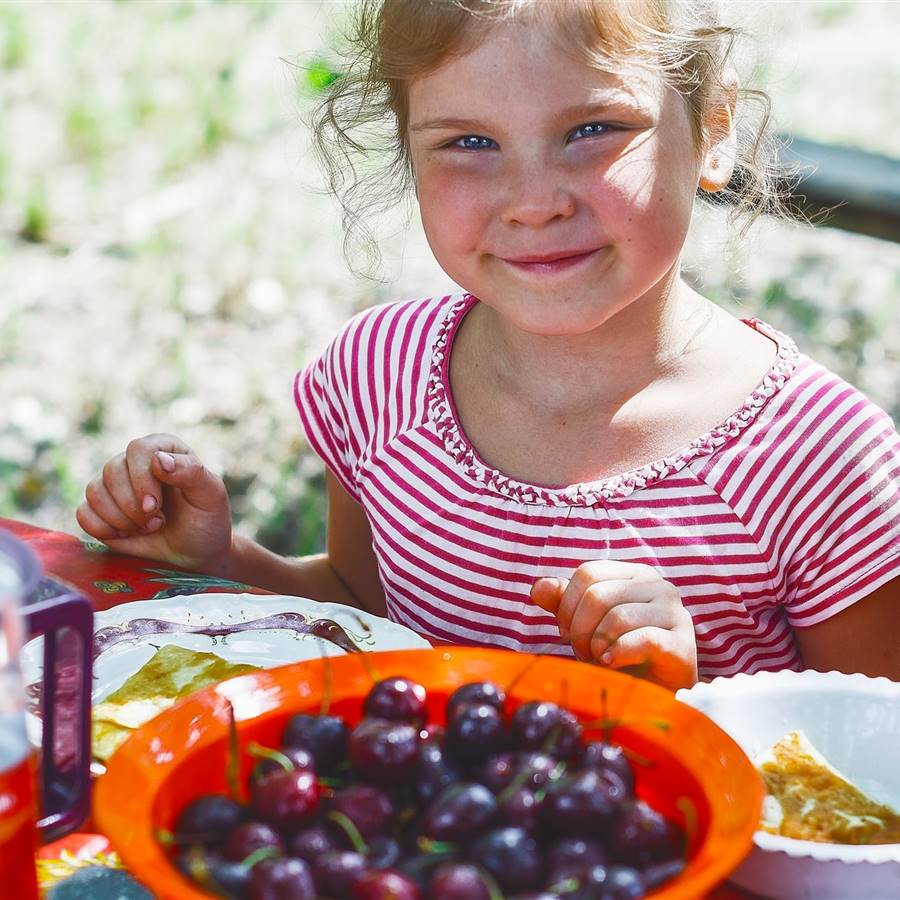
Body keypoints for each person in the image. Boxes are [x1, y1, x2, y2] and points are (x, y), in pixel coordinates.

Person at [76, 0, 900, 690]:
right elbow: (357, 606)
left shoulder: (823, 458)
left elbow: (866, 766)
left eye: (594, 128)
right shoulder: (377, 377)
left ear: (712, 130)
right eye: (469, 143)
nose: (533, 202)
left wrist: (678, 698)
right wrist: (220, 561)